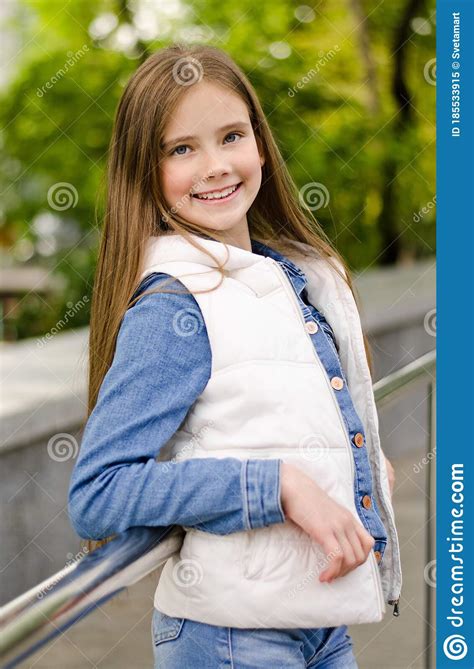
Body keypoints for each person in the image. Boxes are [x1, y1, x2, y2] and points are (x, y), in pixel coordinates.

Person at [68, 43, 402, 668]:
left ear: (259, 141)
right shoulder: (174, 308)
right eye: (182, 149)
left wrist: (353, 454)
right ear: (146, 169)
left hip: (321, 620)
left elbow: (273, 408)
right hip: (233, 638)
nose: (216, 165)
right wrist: (279, 486)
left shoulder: (288, 280)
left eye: (232, 135)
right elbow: (100, 492)